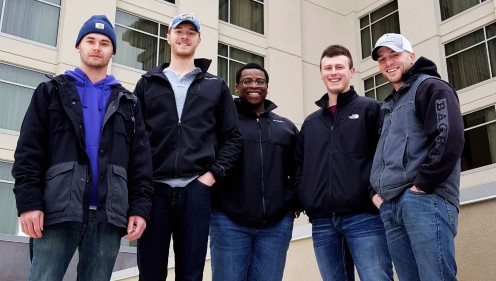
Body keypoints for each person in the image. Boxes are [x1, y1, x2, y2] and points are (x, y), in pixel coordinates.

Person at [12, 15, 153, 281]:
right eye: (90, 40)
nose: (97, 47)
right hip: (57, 211)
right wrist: (29, 203)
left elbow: (141, 163)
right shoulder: (51, 91)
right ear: (79, 46)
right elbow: (29, 151)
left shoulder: (128, 103)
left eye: (104, 42)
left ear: (112, 52)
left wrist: (139, 209)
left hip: (107, 217)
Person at [134, 13, 242, 281]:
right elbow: (133, 138)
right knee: (150, 272)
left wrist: (211, 176)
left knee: (191, 273)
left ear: (199, 40)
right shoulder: (147, 83)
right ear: (168, 37)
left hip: (196, 190)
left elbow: (233, 138)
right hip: (154, 190)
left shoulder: (215, 86)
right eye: (178, 31)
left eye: (191, 32)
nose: (184, 36)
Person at [370, 33, 464, 281]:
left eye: (394, 55)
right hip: (391, 205)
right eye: (382, 59)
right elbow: (380, 155)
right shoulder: (389, 104)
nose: (388, 62)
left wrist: (422, 185)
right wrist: (375, 194)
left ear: (411, 56)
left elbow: (449, 136)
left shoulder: (432, 87)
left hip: (425, 201)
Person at [295, 45, 393, 281]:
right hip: (322, 222)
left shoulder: (371, 109)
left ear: (352, 71)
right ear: (320, 73)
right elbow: (299, 165)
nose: (333, 72)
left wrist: (375, 195)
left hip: (365, 216)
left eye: (339, 67)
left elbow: (386, 156)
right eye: (327, 68)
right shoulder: (311, 123)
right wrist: (305, 196)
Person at [210, 63, 299, 281]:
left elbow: (298, 168)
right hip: (228, 222)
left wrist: (295, 203)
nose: (254, 85)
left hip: (276, 226)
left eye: (260, 81)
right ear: (237, 86)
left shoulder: (285, 127)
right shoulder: (223, 123)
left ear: (267, 87)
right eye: (247, 81)